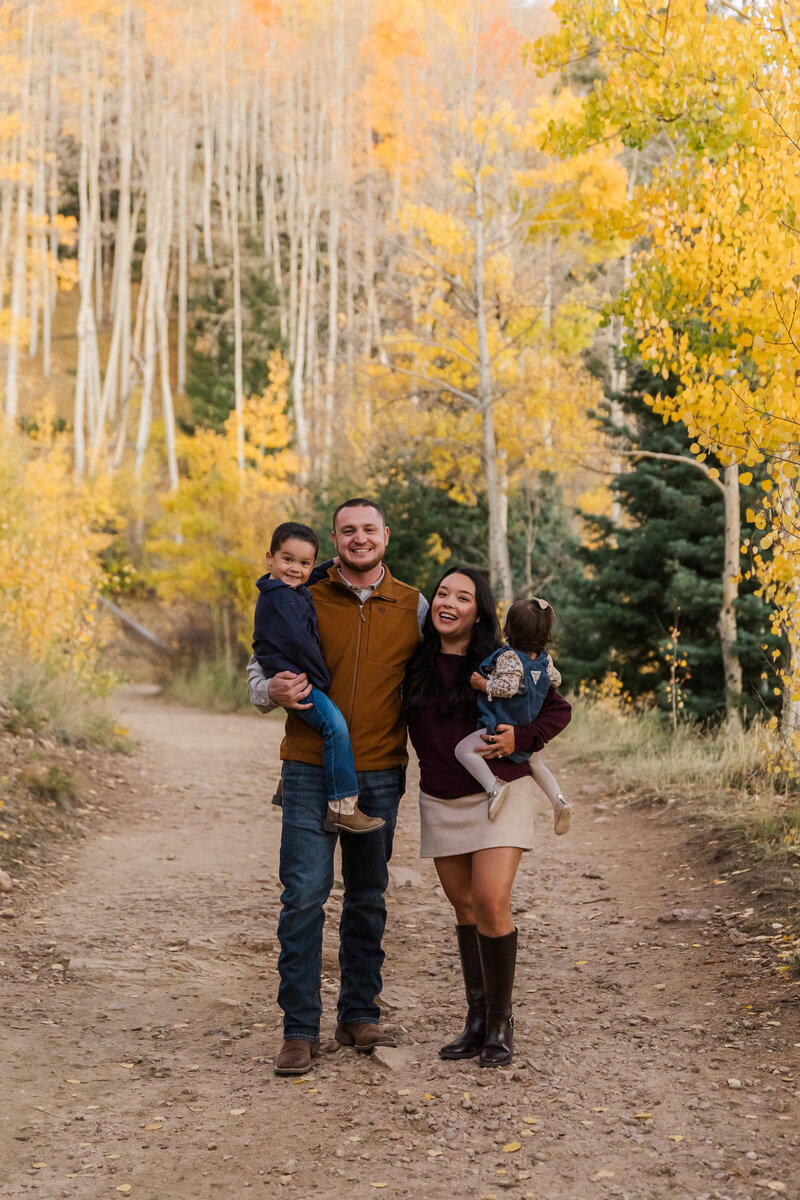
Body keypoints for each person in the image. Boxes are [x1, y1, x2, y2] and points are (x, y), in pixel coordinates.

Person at [246, 499, 428, 1077]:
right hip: (306, 767)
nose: (359, 539)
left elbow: (447, 669)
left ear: (385, 535)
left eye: (368, 529)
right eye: (347, 530)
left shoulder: (414, 605)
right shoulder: (301, 590)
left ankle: (358, 1015)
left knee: (368, 895)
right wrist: (267, 690)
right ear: (333, 538)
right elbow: (260, 665)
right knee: (302, 897)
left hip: (379, 770)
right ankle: (299, 1031)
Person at [403, 567, 572, 1068]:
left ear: (480, 611)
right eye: (441, 593)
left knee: (491, 900)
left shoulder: (500, 660)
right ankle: (476, 1021)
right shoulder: (413, 663)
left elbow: (556, 712)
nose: (448, 601)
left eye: (463, 596)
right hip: (439, 797)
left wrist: (521, 739)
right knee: (464, 907)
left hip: (503, 790)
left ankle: (500, 1024)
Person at [252, 520, 385, 835]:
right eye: (288, 560)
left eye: (305, 563)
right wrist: (321, 678)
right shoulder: (282, 598)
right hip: (297, 679)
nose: (297, 569)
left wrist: (330, 564)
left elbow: (305, 575)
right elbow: (301, 643)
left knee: (328, 724)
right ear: (270, 557)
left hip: (295, 674)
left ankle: (307, 793)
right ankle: (342, 807)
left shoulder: (285, 586)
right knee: (334, 727)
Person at [455, 596, 573, 834]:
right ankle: (559, 801)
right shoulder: (544, 658)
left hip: (502, 724)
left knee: (463, 751)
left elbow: (506, 688)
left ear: (509, 628)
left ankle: (493, 787)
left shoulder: (510, 657)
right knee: (536, 763)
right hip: (529, 723)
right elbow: (556, 680)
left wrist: (483, 684)